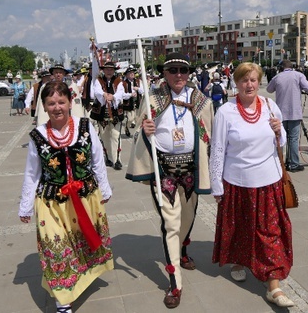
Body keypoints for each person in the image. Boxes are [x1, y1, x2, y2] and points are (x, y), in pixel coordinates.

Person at [125, 53, 213, 309]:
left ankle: (183, 249)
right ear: (164, 73)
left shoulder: (201, 101)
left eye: (183, 71)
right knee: (170, 225)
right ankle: (175, 282)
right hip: (163, 172)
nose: (178, 75)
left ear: (189, 74)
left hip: (191, 171)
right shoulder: (153, 100)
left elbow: (210, 135)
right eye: (173, 70)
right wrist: (145, 131)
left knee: (187, 220)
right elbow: (138, 132)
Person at [18, 82, 113, 313]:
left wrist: (105, 188)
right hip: (52, 203)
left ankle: (81, 279)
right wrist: (25, 206)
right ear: (44, 106)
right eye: (51, 103)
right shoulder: (37, 136)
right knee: (58, 249)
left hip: (85, 197)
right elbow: (32, 172)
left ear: (71, 102)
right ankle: (63, 300)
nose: (57, 107)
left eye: (61, 102)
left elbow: (97, 159)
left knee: (83, 244)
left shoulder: (84, 126)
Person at [210, 62, 293, 307]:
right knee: (241, 227)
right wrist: (217, 184)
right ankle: (239, 260)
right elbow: (218, 149)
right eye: (244, 80)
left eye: (254, 80)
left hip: (269, 180)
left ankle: (274, 286)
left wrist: (280, 132)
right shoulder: (225, 111)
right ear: (236, 83)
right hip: (237, 181)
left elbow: (282, 142)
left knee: (270, 232)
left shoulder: (270, 106)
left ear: (259, 82)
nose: (249, 85)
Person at [266, 60, 308, 172]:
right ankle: (293, 163)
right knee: (293, 138)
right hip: (294, 112)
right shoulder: (298, 75)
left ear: (281, 68)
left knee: (280, 137)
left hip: (280, 113)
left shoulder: (278, 77)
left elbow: (269, 89)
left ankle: (279, 163)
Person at [90, 61, 125, 170]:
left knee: (116, 135)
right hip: (101, 112)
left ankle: (117, 159)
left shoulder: (119, 81)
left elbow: (120, 93)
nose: (109, 71)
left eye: (111, 69)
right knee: (105, 136)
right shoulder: (98, 80)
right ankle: (109, 157)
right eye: (107, 69)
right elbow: (96, 91)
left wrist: (113, 97)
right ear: (103, 70)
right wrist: (104, 95)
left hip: (115, 112)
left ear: (114, 70)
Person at [121, 67, 142, 136]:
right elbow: (122, 95)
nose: (132, 74)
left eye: (133, 72)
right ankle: (127, 127)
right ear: (126, 75)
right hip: (129, 104)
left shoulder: (138, 81)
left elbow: (144, 91)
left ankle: (137, 133)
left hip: (138, 103)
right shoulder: (124, 83)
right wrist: (130, 95)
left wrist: (138, 89)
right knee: (130, 119)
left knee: (138, 120)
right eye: (130, 73)